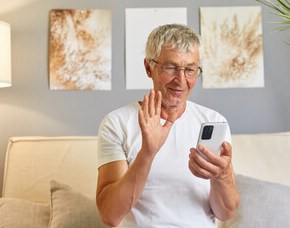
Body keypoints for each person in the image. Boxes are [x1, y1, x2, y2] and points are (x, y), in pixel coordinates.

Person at [96, 24, 239, 228]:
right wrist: (147, 153)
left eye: (190, 70)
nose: (181, 81)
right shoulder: (117, 123)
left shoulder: (214, 120)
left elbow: (225, 213)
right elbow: (110, 215)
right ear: (148, 68)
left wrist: (221, 176)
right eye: (171, 68)